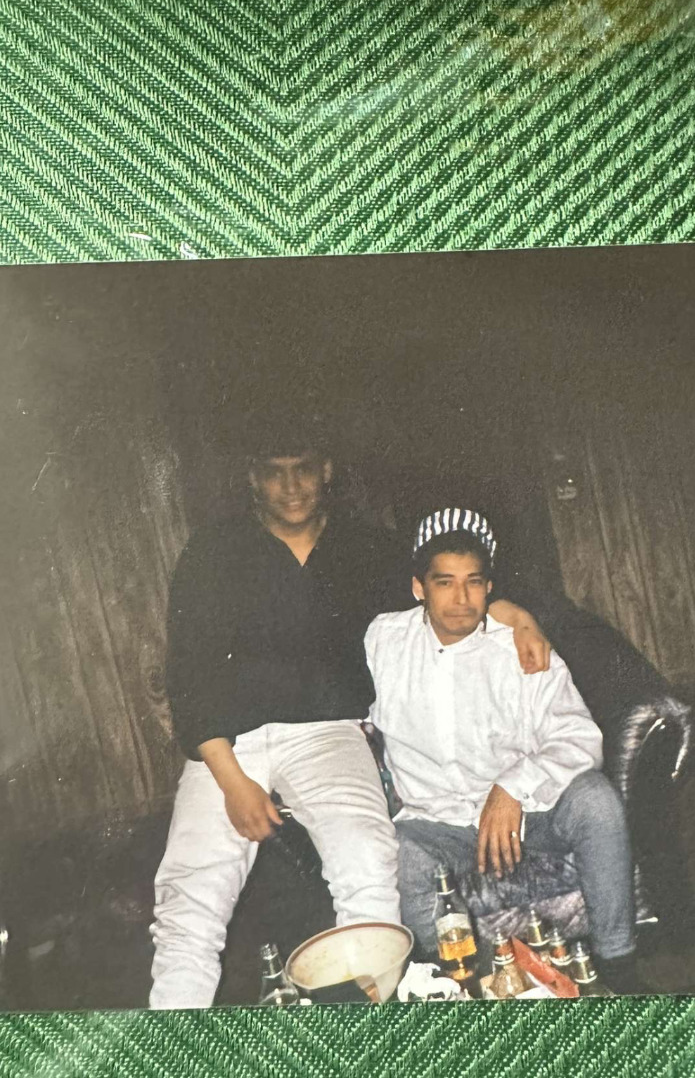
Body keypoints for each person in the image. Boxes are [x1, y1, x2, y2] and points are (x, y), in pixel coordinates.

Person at [149, 431, 550, 1009]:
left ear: (327, 471)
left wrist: (521, 618)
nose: (291, 486)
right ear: (253, 477)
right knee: (191, 902)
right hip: (227, 745)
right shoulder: (214, 550)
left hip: (328, 732)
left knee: (368, 860)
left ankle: (373, 1023)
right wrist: (233, 781)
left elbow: (446, 597)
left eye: (304, 468)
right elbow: (189, 671)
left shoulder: (366, 548)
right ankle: (173, 1032)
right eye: (275, 470)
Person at [363, 508, 639, 993]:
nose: (461, 599)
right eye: (444, 583)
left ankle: (618, 966)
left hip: (529, 817)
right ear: (418, 588)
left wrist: (512, 787)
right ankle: (461, 989)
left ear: (490, 588)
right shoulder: (383, 642)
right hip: (435, 825)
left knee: (596, 801)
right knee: (398, 854)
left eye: (473, 583)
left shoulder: (522, 648)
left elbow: (579, 736)